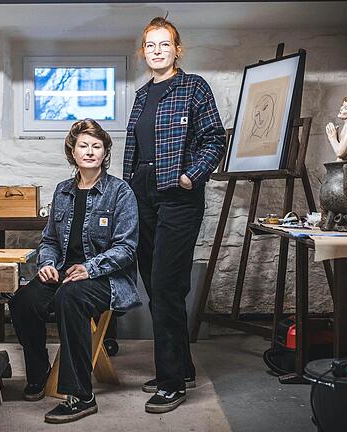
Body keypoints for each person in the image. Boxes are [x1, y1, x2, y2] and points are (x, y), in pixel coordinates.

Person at [123, 17, 226, 414]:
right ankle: (180, 366)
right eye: (150, 45)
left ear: (177, 49)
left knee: (166, 285)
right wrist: (129, 189)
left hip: (178, 196)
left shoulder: (194, 87)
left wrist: (190, 177)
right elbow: (134, 147)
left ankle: (170, 384)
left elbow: (215, 138)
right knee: (156, 281)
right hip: (143, 194)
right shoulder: (142, 95)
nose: (157, 50)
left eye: (164, 44)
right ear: (143, 51)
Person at [9, 119, 140, 424]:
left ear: (105, 152)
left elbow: (126, 248)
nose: (90, 151)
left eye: (97, 146)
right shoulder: (63, 191)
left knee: (70, 297)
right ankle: (39, 374)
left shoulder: (121, 192)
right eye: (84, 145)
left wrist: (90, 267)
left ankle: (80, 396)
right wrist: (46, 266)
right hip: (65, 275)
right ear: (73, 151)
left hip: (106, 280)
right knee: (23, 299)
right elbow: (50, 240)